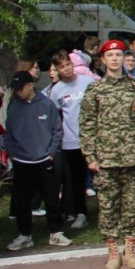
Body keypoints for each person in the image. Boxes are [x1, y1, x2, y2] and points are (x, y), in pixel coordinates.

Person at [79, 40, 135, 269]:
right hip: (106, 159)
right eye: (110, 55)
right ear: (102, 60)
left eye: (118, 54)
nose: (114, 59)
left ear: (124, 58)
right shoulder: (96, 90)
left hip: (132, 157)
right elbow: (87, 124)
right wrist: (90, 156)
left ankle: (130, 250)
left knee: (131, 206)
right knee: (108, 206)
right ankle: (113, 251)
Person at [5, 71, 70, 250]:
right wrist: (12, 153)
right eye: (15, 89)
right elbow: (8, 133)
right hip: (21, 161)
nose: (18, 92)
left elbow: (57, 130)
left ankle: (55, 232)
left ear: (30, 85)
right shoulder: (13, 107)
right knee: (21, 200)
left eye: (20, 88)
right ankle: (25, 234)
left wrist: (50, 153)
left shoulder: (47, 105)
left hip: (44, 159)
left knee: (51, 197)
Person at [46, 49, 96, 230]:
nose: (66, 69)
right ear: (57, 69)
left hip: (93, 138)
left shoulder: (88, 81)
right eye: (62, 67)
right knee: (76, 179)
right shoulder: (56, 90)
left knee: (100, 175)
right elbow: (56, 116)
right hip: (70, 142)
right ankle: (80, 212)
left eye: (68, 64)